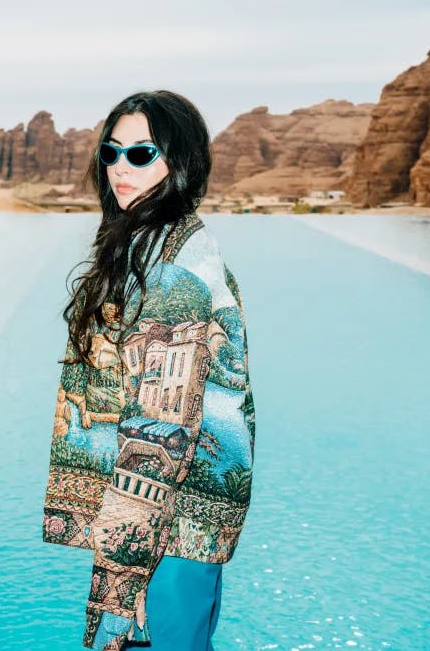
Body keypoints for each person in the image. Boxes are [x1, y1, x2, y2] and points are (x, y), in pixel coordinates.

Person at [42, 90, 256, 650]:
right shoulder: (154, 241)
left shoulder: (174, 270)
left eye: (141, 154)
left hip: (163, 525)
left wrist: (122, 573)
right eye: (111, 153)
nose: (119, 169)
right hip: (171, 524)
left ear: (179, 161)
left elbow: (162, 429)